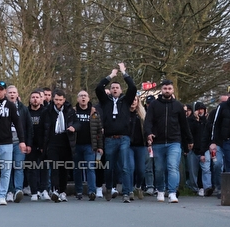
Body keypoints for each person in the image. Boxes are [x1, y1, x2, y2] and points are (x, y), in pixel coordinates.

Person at [144, 79, 193, 203]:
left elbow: (184, 124)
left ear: (173, 90)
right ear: (162, 89)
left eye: (169, 89)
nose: (167, 91)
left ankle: (172, 192)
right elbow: (148, 121)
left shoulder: (178, 105)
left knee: (172, 167)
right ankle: (160, 190)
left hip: (174, 141)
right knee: (159, 169)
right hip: (158, 141)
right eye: (165, 88)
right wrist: (148, 133)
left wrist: (189, 140)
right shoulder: (154, 105)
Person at [95, 62, 137, 200]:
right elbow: (98, 88)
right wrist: (111, 76)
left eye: (117, 88)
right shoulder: (105, 102)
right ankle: (109, 188)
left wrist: (123, 72)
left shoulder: (126, 101)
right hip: (109, 139)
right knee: (109, 167)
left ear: (120, 90)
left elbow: (133, 87)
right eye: (112, 87)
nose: (114, 89)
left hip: (123, 138)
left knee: (125, 166)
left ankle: (126, 192)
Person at [43, 89, 76, 202]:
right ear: (53, 99)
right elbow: (43, 127)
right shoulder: (47, 110)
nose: (58, 102)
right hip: (52, 142)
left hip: (66, 142)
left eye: (60, 100)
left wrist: (74, 127)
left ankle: (63, 191)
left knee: (64, 169)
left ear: (64, 100)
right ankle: (55, 190)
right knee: (55, 167)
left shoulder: (69, 110)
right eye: (56, 99)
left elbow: (77, 122)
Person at [72, 90, 103, 200]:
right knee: (77, 169)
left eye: (85, 96)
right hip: (76, 145)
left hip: (90, 146)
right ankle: (79, 191)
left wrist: (99, 146)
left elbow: (99, 131)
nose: (83, 98)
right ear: (77, 99)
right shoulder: (73, 112)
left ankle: (91, 191)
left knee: (91, 168)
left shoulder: (94, 112)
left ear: (89, 98)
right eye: (81, 96)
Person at [6, 85, 32, 202]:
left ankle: (18, 190)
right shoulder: (2, 107)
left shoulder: (23, 109)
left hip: (19, 143)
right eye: (10, 92)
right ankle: (9, 191)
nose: (12, 94)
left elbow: (29, 127)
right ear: (6, 94)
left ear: (17, 95)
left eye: (14, 92)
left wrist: (28, 143)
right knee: (7, 168)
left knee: (19, 167)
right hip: (5, 143)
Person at [25, 90, 49, 200]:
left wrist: (44, 144)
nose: (35, 99)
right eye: (33, 97)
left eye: (37, 97)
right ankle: (34, 191)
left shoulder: (45, 112)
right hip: (30, 144)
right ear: (30, 100)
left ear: (41, 99)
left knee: (44, 168)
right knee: (32, 168)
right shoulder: (26, 112)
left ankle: (44, 190)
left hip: (43, 143)